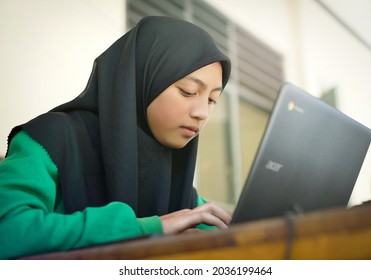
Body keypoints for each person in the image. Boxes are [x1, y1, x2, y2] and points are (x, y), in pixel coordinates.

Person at [0, 16, 232, 259]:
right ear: (145, 77)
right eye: (189, 91)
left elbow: (223, 228)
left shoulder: (177, 178)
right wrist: (151, 229)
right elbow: (8, 229)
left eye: (212, 100)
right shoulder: (52, 138)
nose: (202, 113)